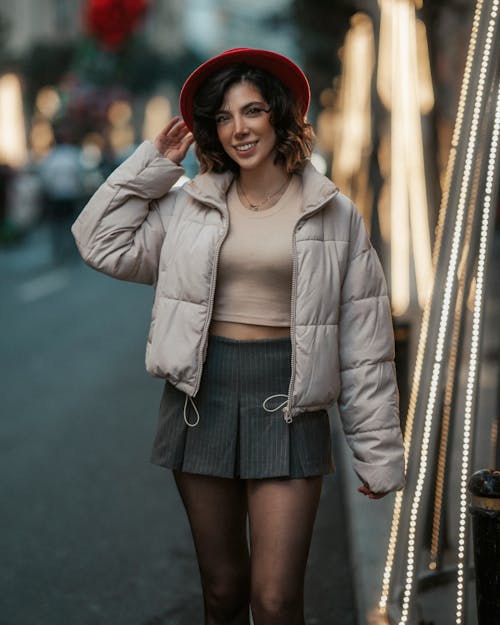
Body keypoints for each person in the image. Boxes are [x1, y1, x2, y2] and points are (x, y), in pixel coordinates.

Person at [72, 48, 405, 625]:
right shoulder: (189, 205)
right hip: (202, 398)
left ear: (279, 115)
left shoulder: (334, 212)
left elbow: (365, 340)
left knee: (276, 601)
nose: (238, 128)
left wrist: (377, 453)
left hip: (291, 401)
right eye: (223, 117)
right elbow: (100, 242)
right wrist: (153, 163)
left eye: (251, 111)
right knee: (223, 591)